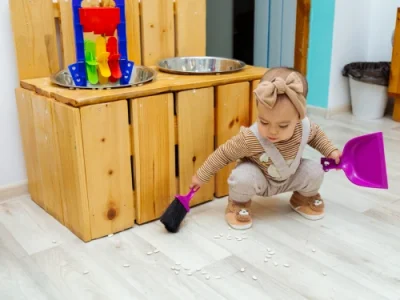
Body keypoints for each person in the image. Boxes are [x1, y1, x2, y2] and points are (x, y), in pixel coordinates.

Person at [190, 67, 341, 230]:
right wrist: (201, 176)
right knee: (242, 178)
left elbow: (318, 137)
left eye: (283, 125)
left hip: (291, 176)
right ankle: (238, 204)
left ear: (299, 116)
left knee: (315, 171)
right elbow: (223, 154)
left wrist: (331, 151)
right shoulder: (250, 138)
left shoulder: (305, 127)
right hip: (261, 179)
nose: (272, 131)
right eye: (264, 122)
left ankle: (302, 199)